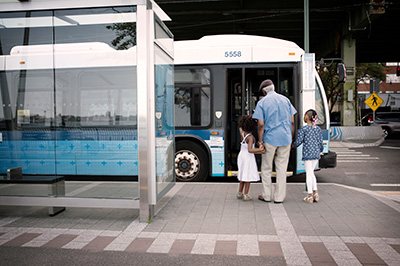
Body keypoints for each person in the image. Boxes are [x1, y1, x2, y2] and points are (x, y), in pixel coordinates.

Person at [252, 79, 296, 203]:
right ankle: (279, 197)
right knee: (282, 169)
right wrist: (291, 139)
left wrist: (260, 142)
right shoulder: (286, 100)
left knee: (266, 168)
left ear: (264, 92)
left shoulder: (262, 103)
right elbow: (292, 122)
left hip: (270, 139)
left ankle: (266, 196)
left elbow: (260, 125)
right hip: (285, 139)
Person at [293, 109, 324, 203]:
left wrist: (292, 146)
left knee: (308, 173)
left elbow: (299, 141)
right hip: (315, 154)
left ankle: (310, 195)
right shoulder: (317, 129)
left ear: (307, 117)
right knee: (311, 173)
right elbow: (320, 143)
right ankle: (316, 193)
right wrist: (320, 152)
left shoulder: (304, 129)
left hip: (307, 153)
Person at [237, 115, 265, 201]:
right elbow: (250, 150)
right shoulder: (251, 137)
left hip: (241, 156)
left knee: (242, 176)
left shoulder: (243, 134)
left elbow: (240, 127)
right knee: (247, 177)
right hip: (248, 158)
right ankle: (246, 195)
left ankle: (239, 193)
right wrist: (260, 150)